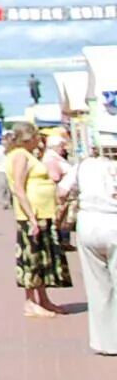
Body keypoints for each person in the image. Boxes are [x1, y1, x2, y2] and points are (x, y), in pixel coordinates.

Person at [58, 126, 117, 356]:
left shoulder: (83, 165)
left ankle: (106, 342)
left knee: (97, 286)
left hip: (90, 222)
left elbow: (61, 192)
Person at [5, 121, 70, 318]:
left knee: (43, 257)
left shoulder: (28, 155)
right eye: (36, 137)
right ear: (28, 138)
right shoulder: (19, 156)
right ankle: (30, 302)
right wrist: (31, 218)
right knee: (31, 258)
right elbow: (18, 187)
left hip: (43, 213)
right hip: (32, 215)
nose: (39, 141)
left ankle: (44, 299)